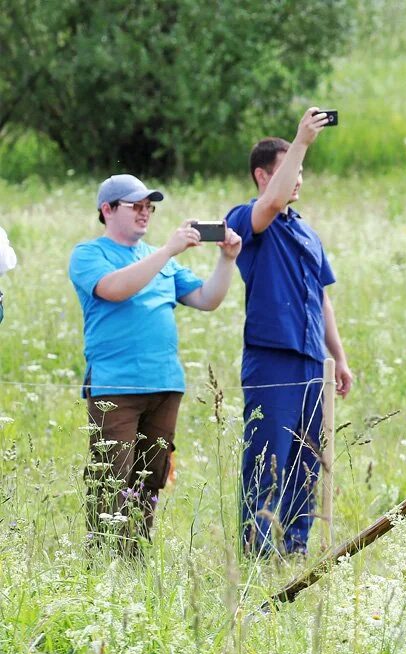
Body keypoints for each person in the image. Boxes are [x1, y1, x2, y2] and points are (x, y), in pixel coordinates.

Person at [69, 174, 241, 553]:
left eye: (150, 207)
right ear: (107, 210)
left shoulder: (160, 259)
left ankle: (135, 558)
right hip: (116, 386)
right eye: (136, 206)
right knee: (111, 477)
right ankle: (101, 561)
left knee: (149, 478)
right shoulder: (89, 254)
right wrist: (167, 250)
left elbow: (206, 299)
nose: (145, 213)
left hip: (165, 384)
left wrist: (226, 261)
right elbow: (114, 290)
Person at [226, 108, 354, 558]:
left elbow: (322, 296)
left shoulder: (306, 232)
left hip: (309, 360)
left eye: (300, 170)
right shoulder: (246, 219)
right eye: (289, 170)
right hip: (272, 355)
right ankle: (256, 546)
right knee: (268, 455)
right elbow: (270, 206)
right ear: (262, 175)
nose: (298, 177)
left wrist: (337, 356)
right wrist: (301, 142)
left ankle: (294, 545)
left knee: (307, 459)